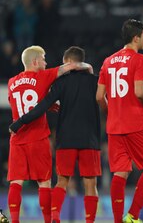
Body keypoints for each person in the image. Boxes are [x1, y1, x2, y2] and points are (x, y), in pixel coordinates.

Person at [9, 46, 101, 223]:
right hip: (39, 137)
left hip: (18, 138)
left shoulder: (12, 82)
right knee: (44, 183)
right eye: (43, 59)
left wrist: (23, 120)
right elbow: (70, 66)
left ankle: (14, 221)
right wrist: (88, 67)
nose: (46, 62)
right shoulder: (44, 76)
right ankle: (49, 220)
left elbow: (31, 102)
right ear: (35, 62)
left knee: (16, 182)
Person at [96, 19, 143, 223]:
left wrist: (112, 113)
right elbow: (139, 91)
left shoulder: (108, 61)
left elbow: (99, 97)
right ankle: (132, 215)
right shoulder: (140, 59)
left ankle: (117, 220)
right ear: (136, 38)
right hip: (136, 122)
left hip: (114, 126)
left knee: (120, 172)